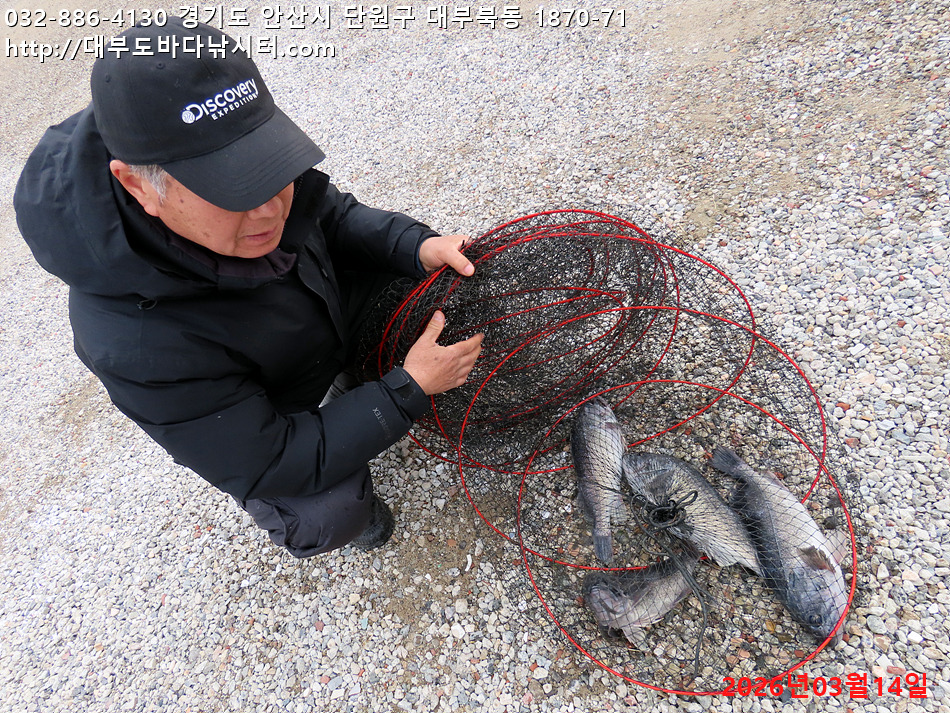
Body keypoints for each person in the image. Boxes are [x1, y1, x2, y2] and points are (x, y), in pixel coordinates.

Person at [13, 17, 483, 557]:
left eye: (270, 170)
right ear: (138, 185)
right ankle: (324, 487)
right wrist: (407, 389)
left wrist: (415, 246)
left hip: (320, 312)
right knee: (328, 515)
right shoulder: (134, 345)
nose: (269, 209)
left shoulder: (242, 165)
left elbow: (329, 215)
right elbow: (270, 459)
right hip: (271, 403)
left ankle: (350, 376)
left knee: (426, 290)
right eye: (232, 189)